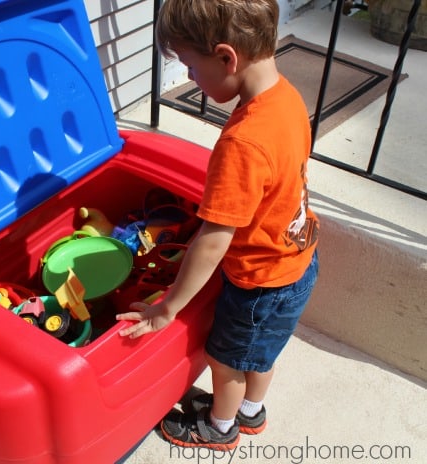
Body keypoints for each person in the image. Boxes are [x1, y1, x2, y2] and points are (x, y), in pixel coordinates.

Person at [116, 0, 320, 451]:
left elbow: (213, 241)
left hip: (258, 283)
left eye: (190, 66)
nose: (190, 78)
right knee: (261, 352)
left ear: (228, 57)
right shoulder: (287, 96)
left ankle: (220, 426)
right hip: (298, 261)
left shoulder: (243, 142)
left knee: (225, 359)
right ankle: (252, 410)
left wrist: (166, 309)